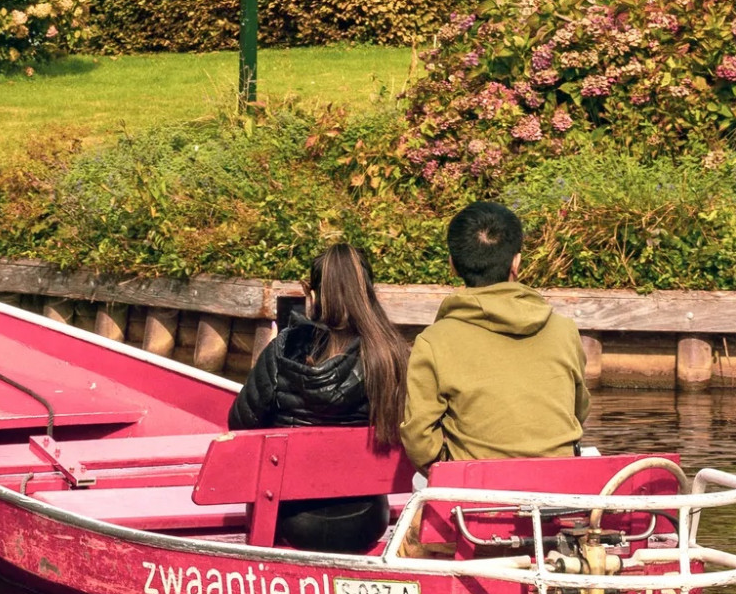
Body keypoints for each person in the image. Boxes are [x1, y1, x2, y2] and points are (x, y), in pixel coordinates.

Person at [229, 241, 411, 552]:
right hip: (365, 521)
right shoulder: (392, 355)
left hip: (291, 519)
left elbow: (240, 423)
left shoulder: (284, 349)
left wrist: (271, 354)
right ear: (368, 292)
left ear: (314, 296)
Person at [400, 200, 588, 474]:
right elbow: (578, 412)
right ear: (517, 262)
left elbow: (419, 439)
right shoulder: (565, 330)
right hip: (558, 502)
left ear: (452, 265)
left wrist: (453, 469)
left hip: (474, 507)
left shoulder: (434, 342)